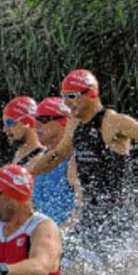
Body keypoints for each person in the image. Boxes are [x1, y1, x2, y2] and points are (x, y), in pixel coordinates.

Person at [30, 69, 138, 275]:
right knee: (56, 266)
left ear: (91, 94)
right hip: (89, 215)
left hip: (115, 217)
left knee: (80, 271)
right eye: (64, 97)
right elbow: (57, 155)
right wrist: (26, 176)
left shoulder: (113, 122)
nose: (67, 103)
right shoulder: (75, 124)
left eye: (72, 96)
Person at [32, 97, 82, 227]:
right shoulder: (40, 160)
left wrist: (59, 235)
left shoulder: (74, 161)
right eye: (35, 119)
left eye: (43, 120)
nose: (37, 126)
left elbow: (82, 210)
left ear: (64, 122)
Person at [3, 97, 46, 171]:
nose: (5, 129)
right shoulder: (20, 156)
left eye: (10, 123)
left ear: (27, 123)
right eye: (4, 124)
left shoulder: (38, 161)